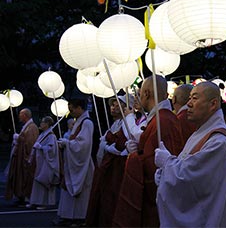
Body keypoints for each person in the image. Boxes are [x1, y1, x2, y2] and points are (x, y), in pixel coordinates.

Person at [154, 81, 226, 227]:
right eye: (189, 98)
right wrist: (164, 174)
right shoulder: (202, 132)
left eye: (195, 98)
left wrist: (167, 163)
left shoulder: (219, 141)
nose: (189, 104)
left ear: (213, 104)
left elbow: (191, 178)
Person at [112, 75, 184, 227]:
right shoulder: (162, 118)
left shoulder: (162, 121)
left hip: (156, 196)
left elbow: (153, 165)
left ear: (146, 94)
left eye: (139, 93)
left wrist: (134, 157)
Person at [86, 94, 134, 227]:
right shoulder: (116, 123)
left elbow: (123, 146)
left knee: (113, 198)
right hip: (108, 167)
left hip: (118, 168)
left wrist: (108, 146)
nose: (113, 108)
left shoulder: (129, 123)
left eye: (117, 105)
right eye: (112, 105)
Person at [54, 99, 94, 227]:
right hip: (74, 162)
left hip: (83, 163)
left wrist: (67, 143)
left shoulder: (87, 123)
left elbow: (84, 145)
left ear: (80, 108)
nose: (70, 112)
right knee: (69, 190)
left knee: (81, 192)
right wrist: (66, 144)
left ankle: (79, 217)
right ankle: (68, 216)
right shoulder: (80, 122)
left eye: (72, 109)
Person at [5, 108, 39, 206]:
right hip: (19, 156)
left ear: (25, 115)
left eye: (20, 114)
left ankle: (24, 196)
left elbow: (30, 143)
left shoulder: (32, 127)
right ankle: (20, 196)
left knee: (24, 178)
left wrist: (18, 138)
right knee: (19, 177)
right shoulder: (27, 126)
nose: (19, 116)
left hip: (25, 157)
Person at [27, 116, 60, 210]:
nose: (41, 124)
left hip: (46, 162)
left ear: (47, 124)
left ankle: (45, 203)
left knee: (44, 181)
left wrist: (41, 147)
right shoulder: (43, 134)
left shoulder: (51, 136)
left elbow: (52, 150)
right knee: (37, 181)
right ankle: (35, 201)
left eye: (42, 122)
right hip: (40, 161)